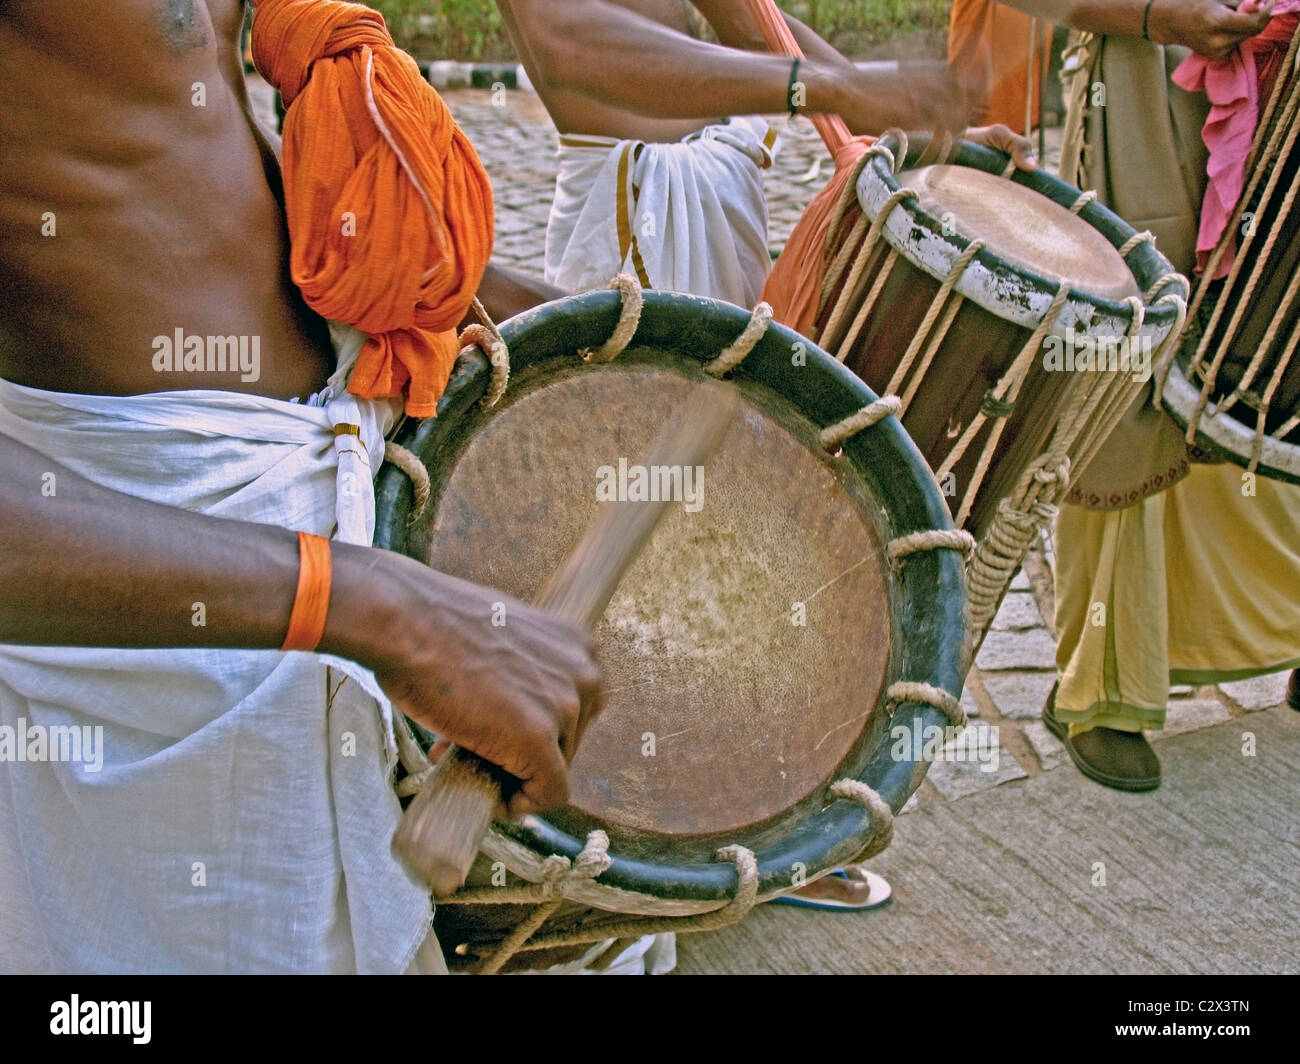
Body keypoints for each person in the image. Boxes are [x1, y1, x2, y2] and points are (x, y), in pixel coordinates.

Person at [0, 0, 604, 973]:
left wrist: (450, 278)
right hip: (158, 549)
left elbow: (188, 129)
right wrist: (369, 605)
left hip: (317, 489)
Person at [996, 0, 1300, 789]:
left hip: (1287, 83)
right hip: (1142, 85)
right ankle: (1103, 693)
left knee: (1279, 371)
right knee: (1134, 378)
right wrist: (1158, 15)